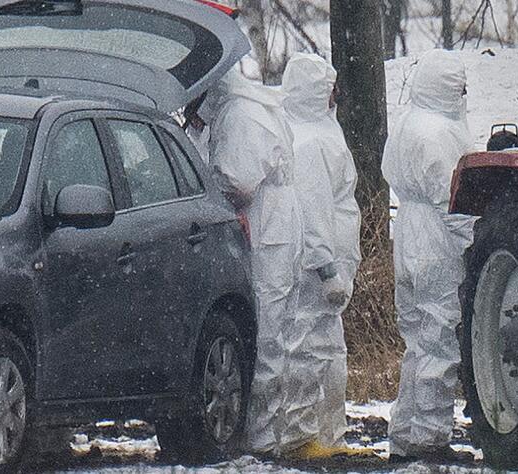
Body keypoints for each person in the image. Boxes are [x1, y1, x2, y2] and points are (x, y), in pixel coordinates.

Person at [195, 65, 317, 456]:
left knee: (265, 332)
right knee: (273, 332)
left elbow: (236, 180)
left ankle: (259, 438)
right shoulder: (254, 107)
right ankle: (264, 433)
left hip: (268, 227)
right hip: (278, 223)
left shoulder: (240, 114)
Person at [381, 50, 476, 461]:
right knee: (438, 339)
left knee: (417, 340)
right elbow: (452, 200)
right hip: (436, 239)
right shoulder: (440, 132)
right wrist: (473, 246)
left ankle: (405, 434)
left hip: (407, 234)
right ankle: (429, 439)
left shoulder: (407, 124)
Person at [281, 53, 362, 450]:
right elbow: (313, 212)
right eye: (329, 90)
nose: (335, 97)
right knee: (307, 351)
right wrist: (327, 267)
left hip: (328, 266)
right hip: (318, 271)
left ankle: (328, 435)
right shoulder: (311, 142)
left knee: (327, 352)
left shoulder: (316, 132)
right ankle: (301, 435)